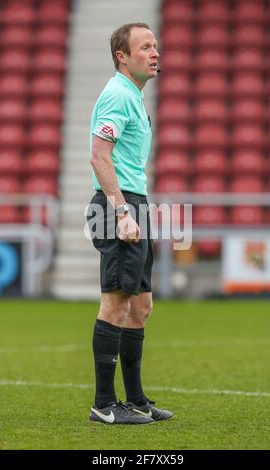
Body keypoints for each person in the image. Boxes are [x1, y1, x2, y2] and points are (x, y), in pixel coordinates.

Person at [87, 23, 173, 425]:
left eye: (156, 46)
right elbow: (99, 157)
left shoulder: (134, 97)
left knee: (141, 305)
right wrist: (121, 212)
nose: (155, 53)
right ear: (122, 55)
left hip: (135, 203)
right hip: (118, 207)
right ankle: (104, 404)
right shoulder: (118, 95)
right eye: (145, 47)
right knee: (117, 302)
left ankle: (136, 400)